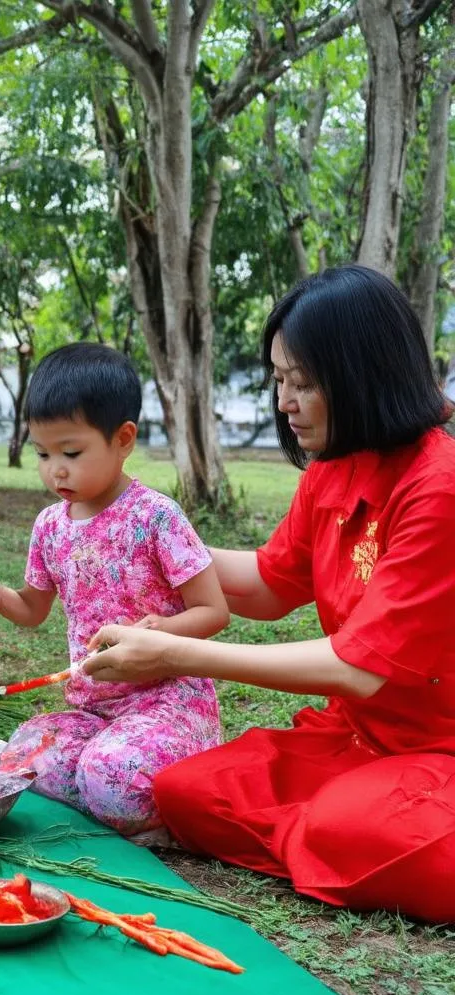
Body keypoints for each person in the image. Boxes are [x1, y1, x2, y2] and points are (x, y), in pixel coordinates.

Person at [82, 265, 455, 923]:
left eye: (304, 383)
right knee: (181, 790)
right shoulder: (334, 466)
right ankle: (326, 836)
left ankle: (334, 834)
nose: (285, 401)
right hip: (357, 737)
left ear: (366, 375)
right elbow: (270, 583)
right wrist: (139, 536)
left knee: (346, 830)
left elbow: (355, 668)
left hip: (438, 748)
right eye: (280, 379)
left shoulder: (438, 487)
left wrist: (174, 653)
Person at [0, 344, 230, 836]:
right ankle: (112, 787)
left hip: (168, 700)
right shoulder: (49, 526)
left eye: (71, 452)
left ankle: (158, 792)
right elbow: (32, 609)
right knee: (23, 753)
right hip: (94, 709)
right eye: (42, 454)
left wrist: (163, 631)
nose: (55, 470)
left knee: (110, 778)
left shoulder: (155, 516)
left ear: (123, 438)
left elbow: (213, 611)